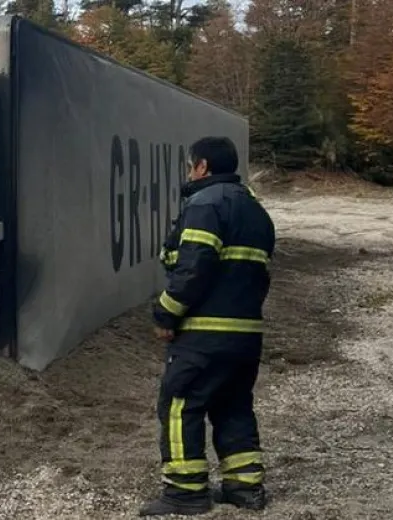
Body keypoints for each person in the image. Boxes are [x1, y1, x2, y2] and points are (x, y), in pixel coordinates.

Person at [138, 136, 276, 517]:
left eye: (189, 165)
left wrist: (166, 314)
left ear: (201, 167)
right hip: (246, 335)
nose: (188, 172)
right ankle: (245, 487)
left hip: (204, 334)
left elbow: (193, 267)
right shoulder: (256, 210)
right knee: (233, 404)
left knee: (181, 403)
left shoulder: (205, 204)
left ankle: (185, 492)